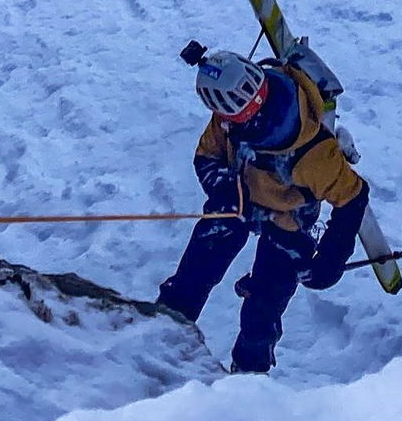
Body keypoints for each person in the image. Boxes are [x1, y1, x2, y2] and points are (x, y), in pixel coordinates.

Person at [156, 39, 371, 373]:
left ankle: (249, 376)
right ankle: (163, 331)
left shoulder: (314, 156)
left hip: (290, 216)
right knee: (197, 267)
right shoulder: (226, 117)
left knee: (264, 308)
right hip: (239, 198)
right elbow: (207, 156)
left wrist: (331, 258)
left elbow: (353, 197)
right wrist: (222, 186)